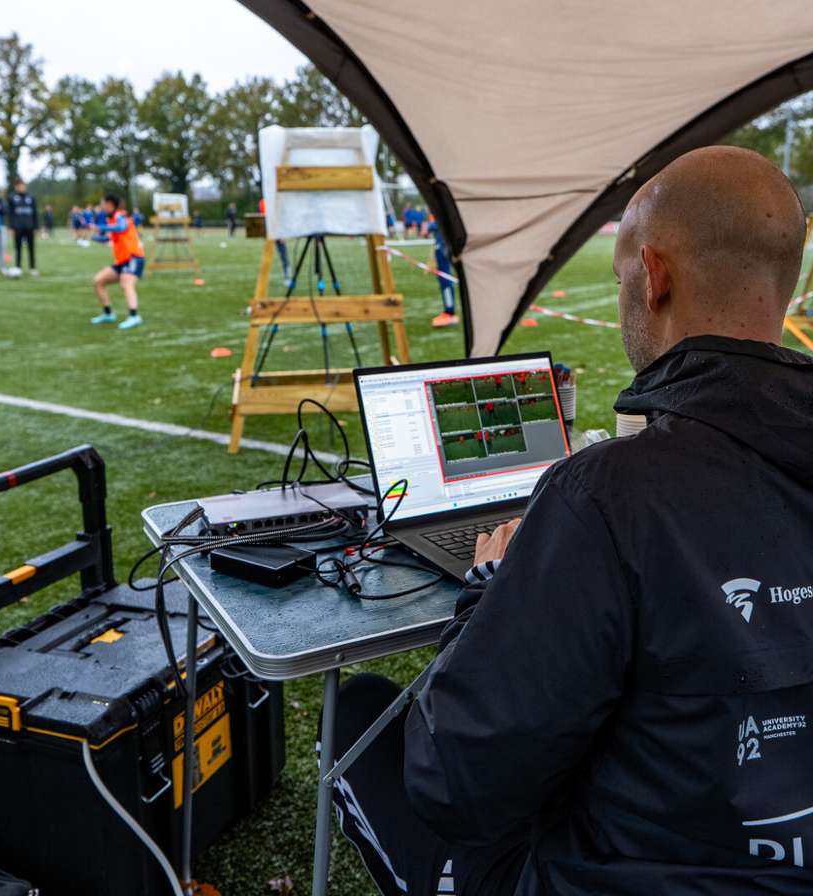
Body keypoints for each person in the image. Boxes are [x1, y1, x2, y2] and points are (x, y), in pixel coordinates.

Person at [326, 146, 813, 895]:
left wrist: (493, 584)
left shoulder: (607, 494)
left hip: (622, 873)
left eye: (623, 278)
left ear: (654, 277)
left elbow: (455, 781)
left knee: (361, 713)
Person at [91, 194, 144, 330]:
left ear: (110, 204)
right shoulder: (112, 220)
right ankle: (108, 314)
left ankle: (134, 316)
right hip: (122, 261)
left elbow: (121, 228)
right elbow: (110, 238)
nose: (102, 207)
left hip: (134, 257)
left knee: (126, 282)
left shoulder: (120, 216)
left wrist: (101, 227)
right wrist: (95, 237)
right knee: (98, 281)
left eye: (103, 204)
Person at [427, 215, 458, 327]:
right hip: (443, 236)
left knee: (445, 278)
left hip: (446, 235)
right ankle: (449, 311)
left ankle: (450, 312)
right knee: (443, 277)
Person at [7, 178, 39, 275]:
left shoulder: (31, 197)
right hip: (17, 227)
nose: (21, 187)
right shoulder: (12, 197)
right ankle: (18, 267)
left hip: (29, 227)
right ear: (16, 187)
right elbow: (10, 214)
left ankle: (32, 268)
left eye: (23, 185)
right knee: (18, 248)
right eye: (19, 185)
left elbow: (35, 213)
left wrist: (36, 227)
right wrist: (11, 227)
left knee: (31, 248)